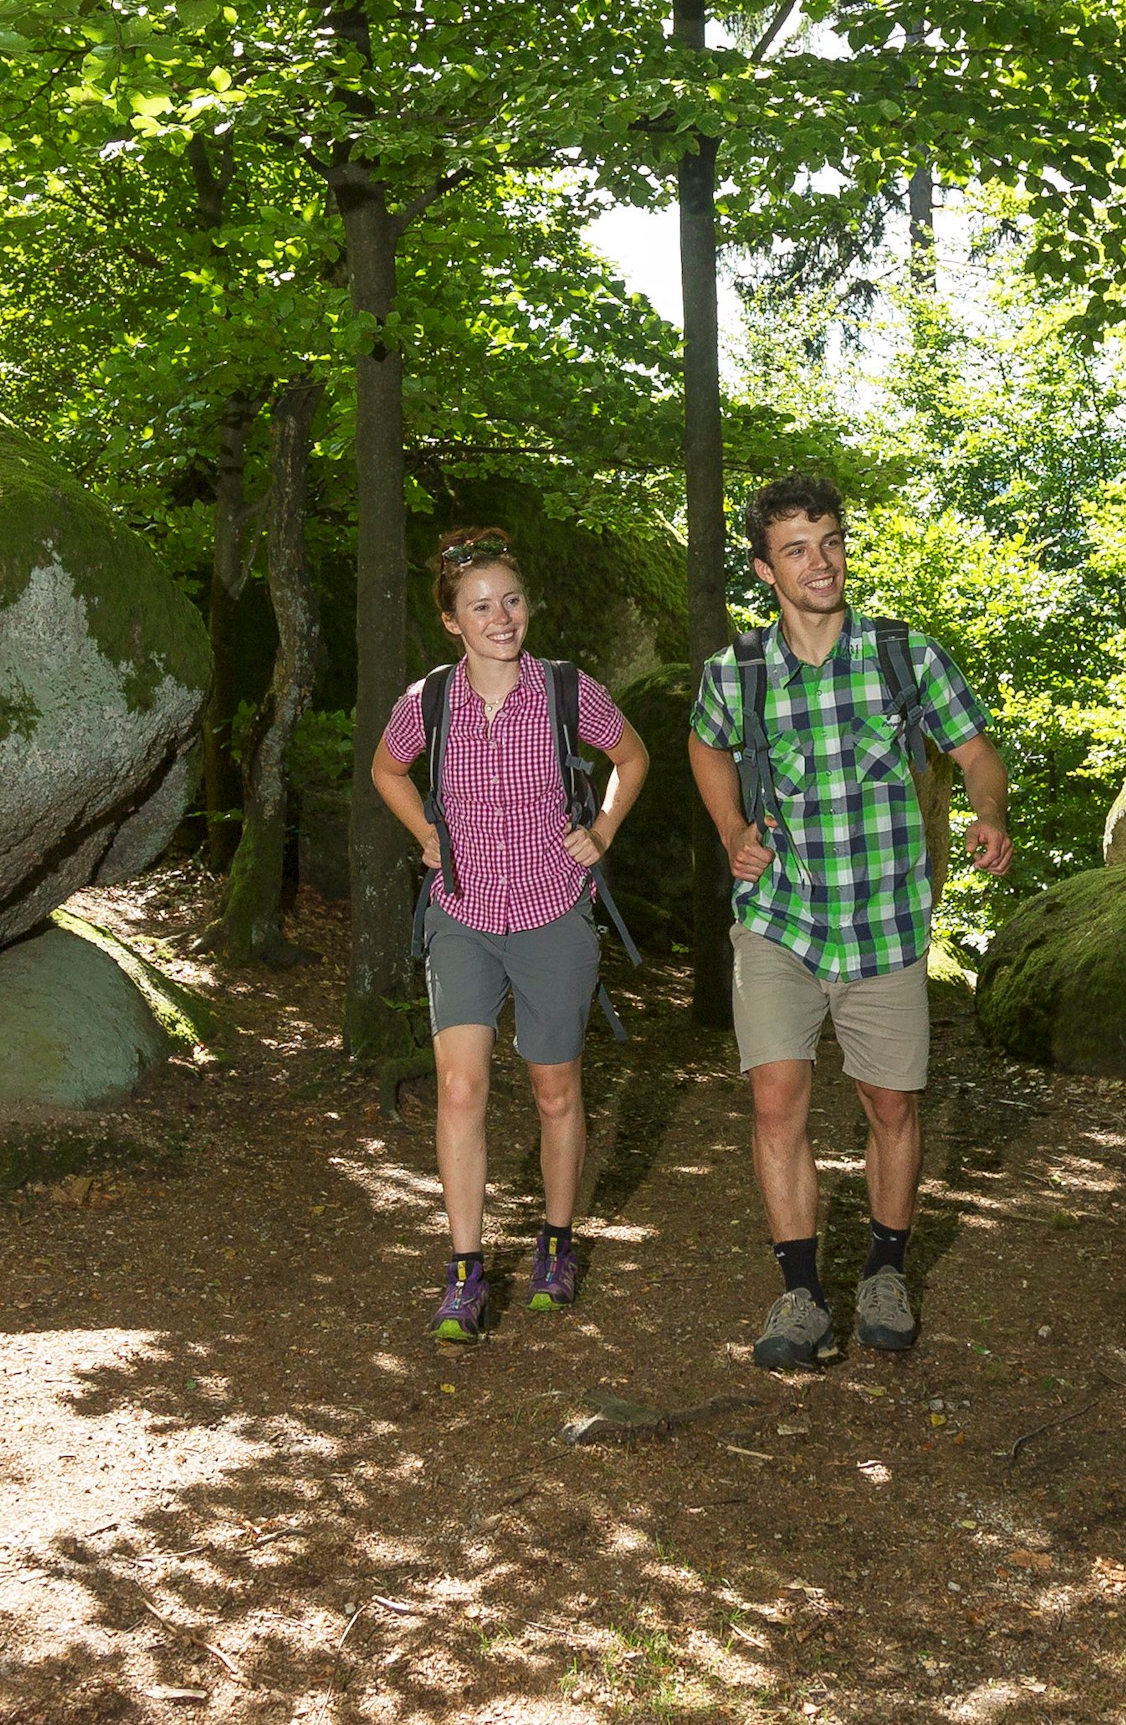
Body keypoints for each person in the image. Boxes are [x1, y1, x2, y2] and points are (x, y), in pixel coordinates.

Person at [686, 474, 1010, 1370]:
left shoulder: (906, 656)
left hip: (885, 923)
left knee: (890, 1103)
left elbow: (977, 751)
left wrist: (991, 811)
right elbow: (704, 745)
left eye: (828, 540)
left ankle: (884, 1270)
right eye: (796, 548)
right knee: (775, 1098)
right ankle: (798, 1292)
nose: (819, 562)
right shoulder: (736, 673)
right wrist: (731, 830)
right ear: (764, 568)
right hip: (779, 921)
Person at [371, 526, 650, 1344]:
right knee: (458, 1087)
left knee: (554, 1090)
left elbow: (631, 757)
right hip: (461, 912)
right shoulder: (428, 701)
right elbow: (388, 769)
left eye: (512, 600)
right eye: (481, 606)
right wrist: (425, 830)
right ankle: (464, 1272)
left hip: (552, 913)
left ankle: (556, 1244)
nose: (502, 617)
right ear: (453, 621)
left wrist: (601, 830)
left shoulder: (566, 691)